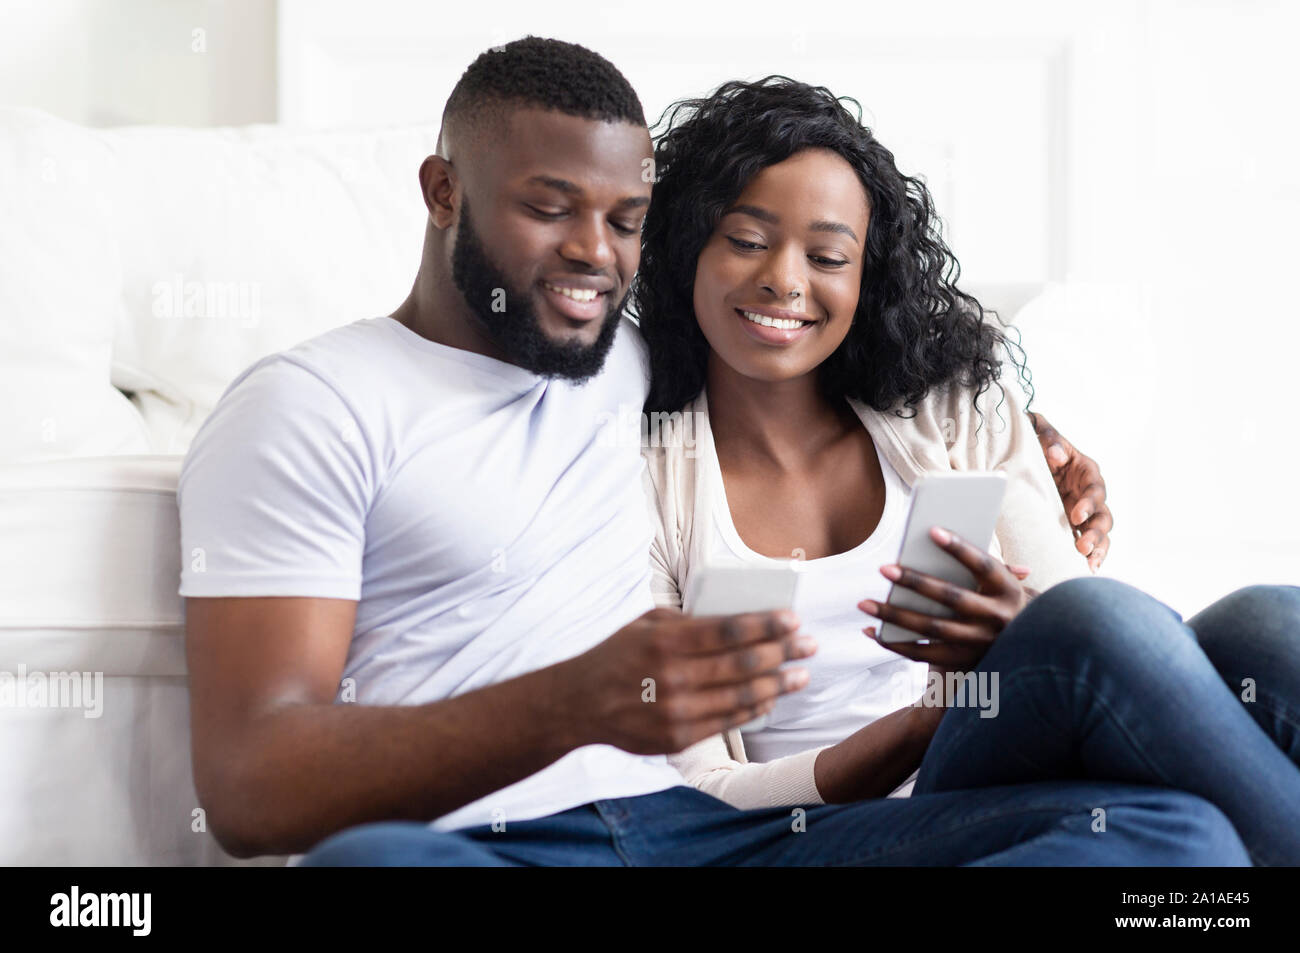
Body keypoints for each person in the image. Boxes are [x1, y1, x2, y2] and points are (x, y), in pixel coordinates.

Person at [179, 36, 1247, 866]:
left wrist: (1039, 432)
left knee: (1172, 839)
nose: (592, 255)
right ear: (442, 190)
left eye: (624, 220)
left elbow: (858, 329)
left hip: (718, 841)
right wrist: (580, 698)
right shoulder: (311, 404)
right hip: (503, 837)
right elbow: (247, 789)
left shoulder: (631, 360)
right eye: (549, 209)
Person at [635, 76, 1300, 865]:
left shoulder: (947, 407)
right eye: (746, 240)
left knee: (1265, 624)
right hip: (819, 825)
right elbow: (697, 791)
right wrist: (927, 722)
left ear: (864, 276)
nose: (785, 279)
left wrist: (1006, 637)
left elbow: (1062, 610)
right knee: (1095, 630)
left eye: (827, 255)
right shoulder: (643, 469)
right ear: (687, 247)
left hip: (997, 753)